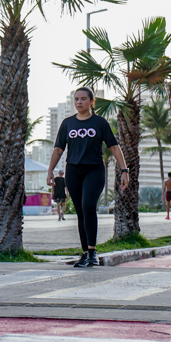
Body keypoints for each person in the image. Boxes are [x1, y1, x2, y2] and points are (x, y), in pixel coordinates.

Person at [47, 87, 129, 268]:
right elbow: (59, 149)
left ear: (91, 102)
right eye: (76, 99)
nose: (79, 102)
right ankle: (85, 253)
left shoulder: (100, 123)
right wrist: (50, 170)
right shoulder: (67, 124)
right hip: (73, 171)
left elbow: (114, 147)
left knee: (88, 206)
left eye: (83, 99)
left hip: (94, 170)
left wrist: (124, 170)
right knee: (80, 211)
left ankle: (92, 252)